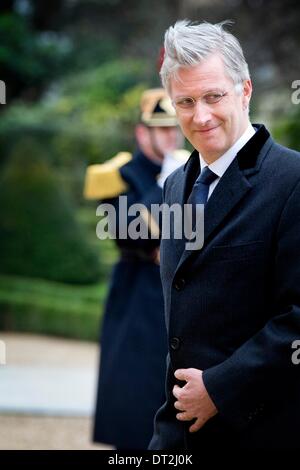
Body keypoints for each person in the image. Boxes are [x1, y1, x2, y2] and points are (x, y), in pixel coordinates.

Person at [149, 20, 300, 450]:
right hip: (176, 432)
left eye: (214, 96)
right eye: (186, 101)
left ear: (246, 90)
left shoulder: (293, 181)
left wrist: (220, 388)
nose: (200, 116)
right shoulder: (175, 185)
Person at [84, 88, 188, 449]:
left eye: (173, 128)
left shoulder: (186, 167)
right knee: (135, 392)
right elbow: (129, 230)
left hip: (177, 290)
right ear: (143, 133)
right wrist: (163, 186)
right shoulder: (121, 174)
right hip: (136, 290)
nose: (171, 136)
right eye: (161, 129)